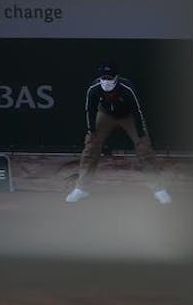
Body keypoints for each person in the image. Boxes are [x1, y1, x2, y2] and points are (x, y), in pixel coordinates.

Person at [67, 61, 172, 204]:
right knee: (91, 146)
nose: (106, 81)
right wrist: (91, 130)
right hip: (105, 114)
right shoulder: (94, 88)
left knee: (144, 148)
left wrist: (141, 134)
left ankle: (159, 189)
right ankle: (82, 188)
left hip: (128, 116)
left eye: (109, 78)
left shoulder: (127, 88)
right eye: (103, 77)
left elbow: (137, 110)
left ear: (117, 77)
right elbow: (89, 110)